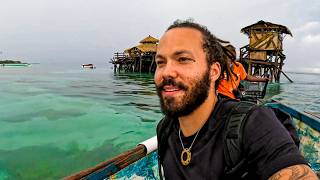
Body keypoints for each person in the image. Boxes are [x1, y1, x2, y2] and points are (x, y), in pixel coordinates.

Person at [154, 19, 318, 180]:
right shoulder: (165, 129)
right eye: (160, 62)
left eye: (183, 59)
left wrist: (261, 80)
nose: (166, 72)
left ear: (214, 71)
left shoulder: (254, 124)